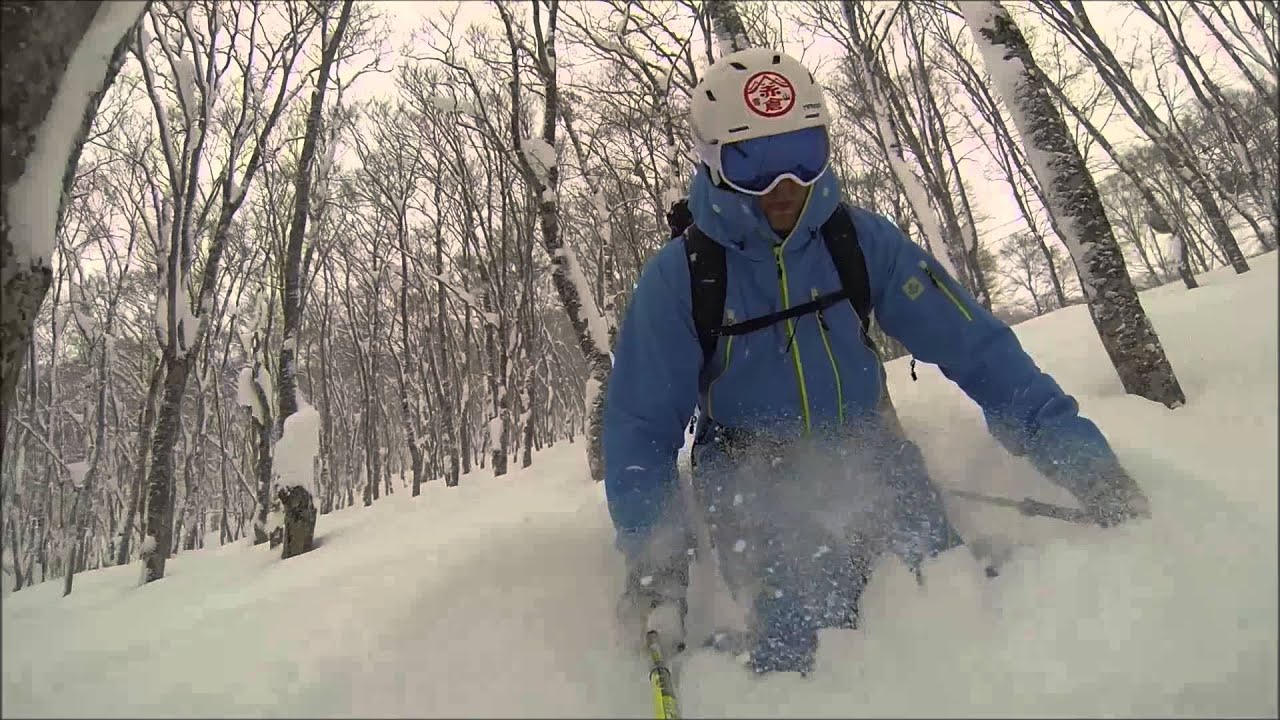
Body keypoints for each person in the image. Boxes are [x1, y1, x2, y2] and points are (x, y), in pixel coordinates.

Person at [601, 47, 1150, 676]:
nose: (785, 186)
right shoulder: (683, 278)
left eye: (803, 155)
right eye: (755, 163)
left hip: (868, 449)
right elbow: (640, 429)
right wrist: (656, 567)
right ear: (713, 162)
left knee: (946, 599)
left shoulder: (855, 241)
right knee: (802, 646)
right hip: (750, 470)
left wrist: (1081, 460)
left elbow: (978, 349)